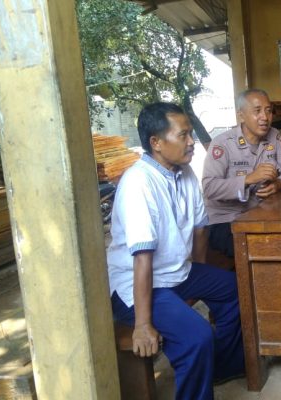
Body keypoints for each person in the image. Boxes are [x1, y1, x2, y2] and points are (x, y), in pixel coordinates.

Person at [107, 103, 245, 400]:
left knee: (236, 289)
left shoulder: (185, 173)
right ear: (156, 142)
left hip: (177, 274)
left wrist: (201, 276)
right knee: (196, 337)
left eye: (190, 134)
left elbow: (200, 229)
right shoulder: (138, 183)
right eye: (183, 135)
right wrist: (143, 325)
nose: (191, 141)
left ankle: (223, 366)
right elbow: (142, 258)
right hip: (137, 286)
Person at [203, 89, 281, 258]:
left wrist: (279, 183)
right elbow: (209, 188)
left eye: (268, 111)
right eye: (257, 111)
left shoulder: (274, 136)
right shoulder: (222, 143)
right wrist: (248, 179)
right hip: (226, 220)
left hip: (262, 214)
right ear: (241, 116)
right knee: (263, 252)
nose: (265, 117)